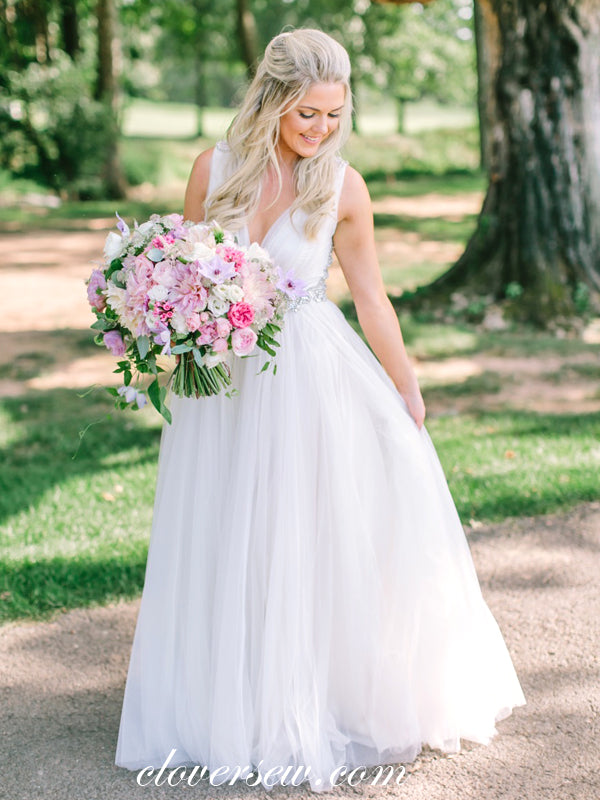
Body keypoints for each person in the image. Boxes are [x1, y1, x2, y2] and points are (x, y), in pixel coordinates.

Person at [115, 28, 525, 792]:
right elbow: (188, 271)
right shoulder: (216, 169)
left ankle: (314, 693)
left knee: (307, 528)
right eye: (308, 114)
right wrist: (173, 326)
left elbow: (372, 297)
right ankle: (232, 698)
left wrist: (405, 385)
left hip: (312, 372)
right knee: (232, 525)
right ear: (271, 100)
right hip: (229, 381)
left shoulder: (343, 187)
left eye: (335, 116)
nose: (321, 130)